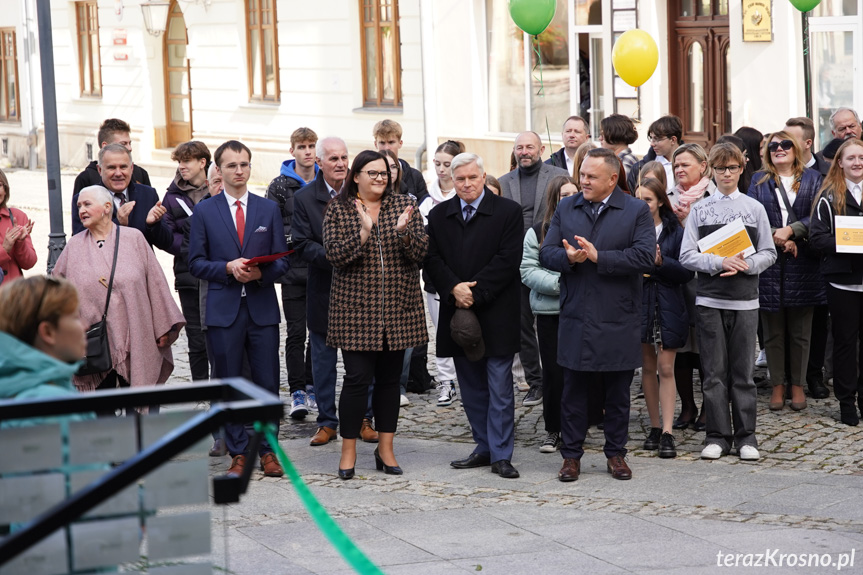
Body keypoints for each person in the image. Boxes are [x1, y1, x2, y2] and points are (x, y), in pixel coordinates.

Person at [539, 147, 654, 482]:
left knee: (617, 393)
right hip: (578, 313)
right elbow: (547, 253)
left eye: (591, 176)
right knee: (573, 392)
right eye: (582, 174)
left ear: (612, 179)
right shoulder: (566, 206)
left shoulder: (635, 210)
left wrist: (599, 257)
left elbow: (645, 257)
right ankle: (571, 456)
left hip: (618, 314)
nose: (583, 181)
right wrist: (570, 259)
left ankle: (616, 454)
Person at [323, 150, 428, 479]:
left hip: (398, 309)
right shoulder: (339, 208)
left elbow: (421, 253)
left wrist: (402, 232)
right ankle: (348, 450)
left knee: (388, 382)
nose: (380, 178)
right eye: (373, 173)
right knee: (356, 380)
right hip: (356, 313)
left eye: (384, 173)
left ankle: (386, 448)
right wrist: (364, 232)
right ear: (356, 176)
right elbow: (335, 255)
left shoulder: (403, 206)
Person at [188, 140, 289, 478]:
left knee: (266, 383)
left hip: (261, 309)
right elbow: (196, 263)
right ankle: (238, 452)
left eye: (244, 164)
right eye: (232, 165)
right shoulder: (205, 210)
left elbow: (281, 264)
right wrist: (228, 268)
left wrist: (262, 273)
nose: (239, 171)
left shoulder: (267, 209)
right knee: (229, 383)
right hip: (223, 309)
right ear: (218, 170)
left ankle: (269, 450)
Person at [425, 153, 524, 479]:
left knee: (499, 386)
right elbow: (432, 260)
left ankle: (501, 453)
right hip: (459, 316)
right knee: (470, 387)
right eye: (460, 179)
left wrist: (473, 293)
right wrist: (454, 288)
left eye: (472, 178)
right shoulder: (439, 216)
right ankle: (483, 446)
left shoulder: (507, 212)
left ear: (483, 178)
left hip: (496, 311)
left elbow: (508, 260)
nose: (466, 184)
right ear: (452, 181)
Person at [680, 143, 777, 460]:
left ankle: (747, 437)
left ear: (741, 169)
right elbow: (687, 255)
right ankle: (717, 436)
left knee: (743, 373)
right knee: (714, 373)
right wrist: (718, 263)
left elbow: (768, 252)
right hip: (709, 300)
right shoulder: (700, 209)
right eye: (720, 168)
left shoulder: (754, 208)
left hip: (746, 302)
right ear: (711, 170)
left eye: (732, 168)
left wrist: (748, 265)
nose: (726, 174)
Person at [53, 186, 185, 403]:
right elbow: (56, 292)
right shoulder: (74, 246)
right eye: (79, 206)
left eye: (87, 204)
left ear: (107, 208)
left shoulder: (134, 239)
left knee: (138, 408)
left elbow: (156, 283)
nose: (81, 210)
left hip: (136, 336)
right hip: (94, 345)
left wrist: (164, 327)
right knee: (102, 410)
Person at [293, 137, 379, 446]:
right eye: (334, 159)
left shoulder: (363, 193)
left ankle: (364, 419)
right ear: (319, 162)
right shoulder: (304, 198)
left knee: (362, 365)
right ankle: (327, 421)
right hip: (325, 294)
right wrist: (338, 256)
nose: (341, 163)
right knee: (324, 365)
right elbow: (302, 244)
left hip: (361, 294)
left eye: (344, 157)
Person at [747, 131, 825, 411]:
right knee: (773, 330)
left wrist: (793, 231)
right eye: (773, 146)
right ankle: (778, 384)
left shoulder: (814, 179)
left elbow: (818, 215)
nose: (779, 149)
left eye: (785, 144)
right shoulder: (758, 181)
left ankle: (798, 385)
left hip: (803, 262)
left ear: (797, 148)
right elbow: (750, 219)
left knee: (801, 331)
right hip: (769, 262)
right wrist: (778, 237)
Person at [499, 131, 569, 407]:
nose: (524, 151)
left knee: (557, 324)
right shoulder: (504, 182)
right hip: (516, 262)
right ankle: (536, 383)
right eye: (519, 147)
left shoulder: (558, 175)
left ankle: (562, 379)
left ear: (541, 149)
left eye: (529, 147)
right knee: (522, 326)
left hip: (553, 257)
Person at [636, 177, 692, 459]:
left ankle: (669, 430)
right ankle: (655, 426)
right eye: (639, 199)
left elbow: (686, 272)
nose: (643, 204)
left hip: (668, 302)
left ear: (659, 201)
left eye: (648, 199)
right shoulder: (630, 229)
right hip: (641, 303)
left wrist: (660, 263)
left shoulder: (674, 230)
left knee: (666, 367)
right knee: (647, 367)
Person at [520, 175, 577, 453]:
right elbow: (528, 270)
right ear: (554, 199)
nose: (570, 198)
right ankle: (553, 429)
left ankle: (576, 427)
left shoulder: (586, 227)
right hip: (550, 311)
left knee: (579, 372)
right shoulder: (537, 230)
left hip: (582, 311)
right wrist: (561, 286)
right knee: (554, 374)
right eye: (564, 195)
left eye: (574, 193)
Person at [266, 127, 319, 419]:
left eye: (311, 146)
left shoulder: (326, 181)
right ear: (292, 151)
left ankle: (313, 386)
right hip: (292, 271)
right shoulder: (279, 186)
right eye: (302, 146)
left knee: (319, 333)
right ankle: (297, 390)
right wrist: (293, 239)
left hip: (320, 268)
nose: (307, 151)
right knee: (296, 332)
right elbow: (271, 224)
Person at [810, 138, 863, 426]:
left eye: (861, 157)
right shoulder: (828, 196)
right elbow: (817, 238)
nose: (857, 162)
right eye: (851, 158)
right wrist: (849, 243)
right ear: (839, 163)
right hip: (842, 280)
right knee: (844, 343)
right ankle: (846, 403)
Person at [0, 276, 90, 429]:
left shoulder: (14, 388)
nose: (85, 326)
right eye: (75, 317)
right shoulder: (54, 405)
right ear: (48, 332)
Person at [162, 141, 212, 387]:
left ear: (202, 162)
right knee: (196, 336)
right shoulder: (171, 196)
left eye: (187, 161)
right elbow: (168, 237)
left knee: (219, 333)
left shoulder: (217, 188)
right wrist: (194, 247)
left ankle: (225, 384)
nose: (181, 167)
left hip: (218, 273)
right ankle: (201, 388)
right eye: (179, 162)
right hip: (188, 274)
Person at [419, 140, 465, 407]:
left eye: (447, 164)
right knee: (442, 332)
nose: (441, 169)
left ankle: (467, 378)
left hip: (463, 275)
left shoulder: (464, 194)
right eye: (437, 164)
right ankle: (446, 381)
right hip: (436, 279)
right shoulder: (427, 201)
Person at [71, 144, 172, 252]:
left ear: (131, 168)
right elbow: (81, 245)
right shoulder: (84, 199)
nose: (118, 173)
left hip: (140, 267)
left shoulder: (147, 194)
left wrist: (153, 225)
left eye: (123, 167)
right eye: (111, 168)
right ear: (99, 170)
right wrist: (117, 223)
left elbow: (166, 243)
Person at [72, 118, 151, 196]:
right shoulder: (86, 178)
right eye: (123, 144)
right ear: (105, 146)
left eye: (129, 143)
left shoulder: (140, 174)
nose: (130, 148)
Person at [373, 119, 429, 204]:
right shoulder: (369, 175)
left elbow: (424, 207)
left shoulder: (415, 177)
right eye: (382, 143)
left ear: (400, 143)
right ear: (375, 144)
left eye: (391, 142)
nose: (387, 148)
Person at [626, 115, 683, 193]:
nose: (652, 144)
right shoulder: (639, 168)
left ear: (673, 140)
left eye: (657, 139)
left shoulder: (692, 165)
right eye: (651, 138)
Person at [0, 168, 36, 283]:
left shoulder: (17, 216)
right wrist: (4, 249)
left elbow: (29, 263)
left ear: (5, 190)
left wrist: (21, 243)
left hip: (14, 296)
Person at [670, 143, 716, 225]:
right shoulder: (667, 197)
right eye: (676, 166)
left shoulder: (716, 196)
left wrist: (687, 218)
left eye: (685, 165)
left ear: (702, 166)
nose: (679, 170)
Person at [600, 114, 639, 179]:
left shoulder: (625, 161)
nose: (600, 138)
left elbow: (623, 188)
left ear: (614, 134)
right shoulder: (620, 159)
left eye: (603, 134)